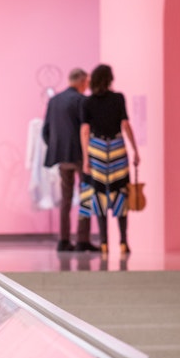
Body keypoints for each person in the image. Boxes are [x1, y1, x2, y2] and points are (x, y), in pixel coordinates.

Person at [80, 63, 140, 257]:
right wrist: (135, 150)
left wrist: (85, 159)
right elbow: (125, 124)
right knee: (120, 192)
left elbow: (85, 130)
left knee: (99, 196)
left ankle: (104, 242)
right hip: (116, 147)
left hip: (97, 148)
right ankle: (123, 241)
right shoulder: (118, 98)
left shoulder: (87, 102)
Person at [42, 67, 97, 252]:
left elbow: (46, 130)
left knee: (65, 199)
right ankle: (83, 239)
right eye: (87, 83)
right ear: (82, 82)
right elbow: (86, 129)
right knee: (85, 196)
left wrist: (55, 148)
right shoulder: (82, 100)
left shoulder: (54, 100)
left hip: (61, 156)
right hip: (81, 155)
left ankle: (64, 239)